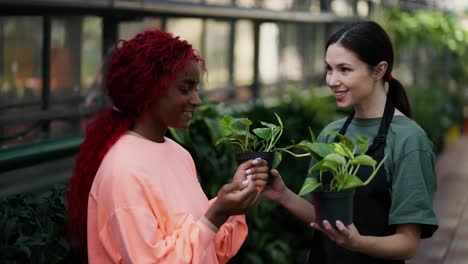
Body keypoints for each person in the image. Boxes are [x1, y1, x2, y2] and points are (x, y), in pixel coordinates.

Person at [66, 29, 269, 264]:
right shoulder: (123, 170)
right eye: (186, 89)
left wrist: (235, 198)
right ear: (150, 89)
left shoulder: (178, 154)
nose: (197, 100)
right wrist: (218, 213)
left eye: (197, 89)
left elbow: (210, 250)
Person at [263, 21, 438, 263]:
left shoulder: (408, 140)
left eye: (344, 69)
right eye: (329, 69)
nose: (332, 80)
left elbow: (407, 244)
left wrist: (356, 243)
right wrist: (282, 194)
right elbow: (322, 218)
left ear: (378, 70)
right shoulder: (331, 135)